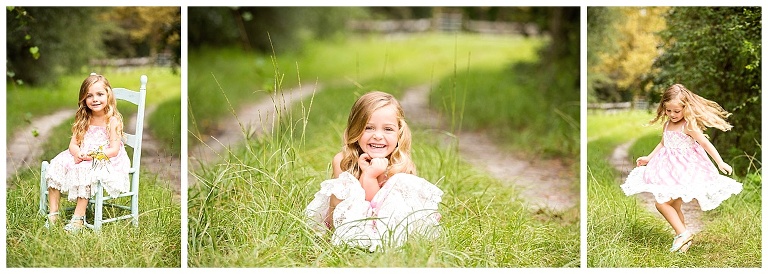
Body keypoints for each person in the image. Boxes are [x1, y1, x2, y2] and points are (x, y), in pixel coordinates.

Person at [304, 91, 444, 252]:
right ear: (355, 130)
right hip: (351, 223)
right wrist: (369, 175)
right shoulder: (343, 160)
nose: (378, 136)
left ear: (399, 133)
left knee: (405, 186)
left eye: (388, 129)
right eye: (369, 128)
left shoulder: (400, 165)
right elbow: (353, 206)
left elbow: (389, 209)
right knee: (341, 192)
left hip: (388, 227)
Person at [621, 84, 743, 253]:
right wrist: (649, 158)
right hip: (669, 171)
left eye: (677, 111)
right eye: (668, 111)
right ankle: (683, 242)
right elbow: (664, 143)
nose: (672, 115)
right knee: (675, 206)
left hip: (685, 171)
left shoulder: (688, 125)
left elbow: (705, 143)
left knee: (661, 203)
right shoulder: (667, 125)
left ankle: (683, 234)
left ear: (686, 107)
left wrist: (720, 162)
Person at [44, 73, 131, 232]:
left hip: (105, 157)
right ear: (83, 99)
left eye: (100, 94)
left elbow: (114, 149)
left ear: (108, 95)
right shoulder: (84, 118)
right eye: (89, 95)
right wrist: (77, 153)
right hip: (84, 155)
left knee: (85, 170)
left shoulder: (112, 120)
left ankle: (79, 218)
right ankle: (53, 214)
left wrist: (92, 155)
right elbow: (73, 144)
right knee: (57, 164)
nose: (95, 99)